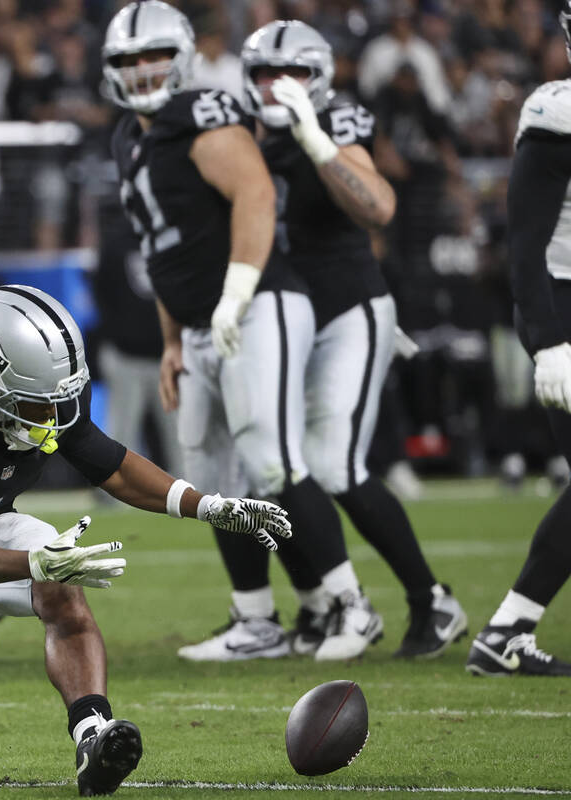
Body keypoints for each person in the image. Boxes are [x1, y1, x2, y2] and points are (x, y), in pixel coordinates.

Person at [0, 285, 291, 793]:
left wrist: (211, 506)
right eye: (34, 403)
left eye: (56, 401)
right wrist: (35, 562)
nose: (52, 417)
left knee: (64, 586)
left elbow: (112, 467)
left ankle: (93, 735)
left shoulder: (53, 394)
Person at [102, 0, 378, 662]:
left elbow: (256, 192)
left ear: (186, 57)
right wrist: (172, 340)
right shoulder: (128, 137)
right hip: (199, 322)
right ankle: (260, 618)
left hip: (260, 305)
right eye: (128, 60)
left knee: (274, 458)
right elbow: (161, 251)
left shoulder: (203, 112)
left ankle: (350, 605)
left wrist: (235, 296)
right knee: (214, 482)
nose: (142, 71)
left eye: (155, 56)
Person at [240, 20, 468, 658]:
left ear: (320, 78)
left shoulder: (337, 120)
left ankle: (431, 599)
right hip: (283, 319)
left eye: (290, 75)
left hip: (346, 311)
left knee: (334, 464)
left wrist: (314, 142)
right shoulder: (243, 130)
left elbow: (379, 207)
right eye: (263, 75)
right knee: (270, 467)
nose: (275, 87)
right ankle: (319, 605)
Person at [465, 3, 571, 677]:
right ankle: (507, 630)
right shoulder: (557, 110)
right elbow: (524, 249)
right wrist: (549, 342)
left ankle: (507, 632)